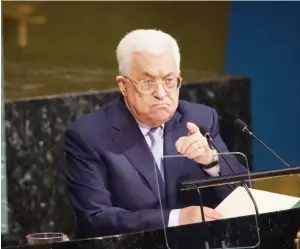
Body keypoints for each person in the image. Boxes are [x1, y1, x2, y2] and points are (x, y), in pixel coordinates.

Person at [64, 29, 248, 239]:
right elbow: (95, 219)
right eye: (148, 82)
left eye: (169, 81)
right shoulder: (89, 135)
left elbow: (245, 196)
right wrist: (176, 219)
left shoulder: (200, 119)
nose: (161, 94)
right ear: (123, 85)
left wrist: (211, 162)